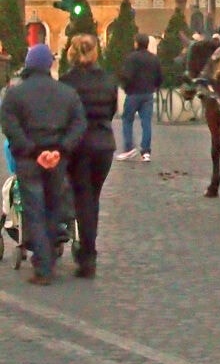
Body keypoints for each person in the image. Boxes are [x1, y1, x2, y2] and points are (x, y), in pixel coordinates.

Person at [0, 43, 86, 284]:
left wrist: (32, 150)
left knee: (34, 211)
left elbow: (9, 124)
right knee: (53, 209)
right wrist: (60, 150)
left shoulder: (15, 93)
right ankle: (48, 258)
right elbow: (79, 124)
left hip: (29, 161)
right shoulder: (67, 93)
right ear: (50, 65)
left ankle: (43, 267)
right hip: (57, 160)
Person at [58, 34, 117, 278]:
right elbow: (112, 110)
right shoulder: (107, 80)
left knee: (83, 199)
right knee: (93, 197)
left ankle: (88, 256)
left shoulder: (67, 82)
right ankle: (87, 249)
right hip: (104, 144)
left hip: (79, 146)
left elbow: (63, 115)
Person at [116, 34, 163, 162]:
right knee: (146, 122)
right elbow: (159, 77)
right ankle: (146, 152)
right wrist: (154, 87)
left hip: (133, 93)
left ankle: (129, 148)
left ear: (136, 43)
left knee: (127, 119)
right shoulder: (154, 59)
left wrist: (125, 87)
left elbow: (126, 75)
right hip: (148, 94)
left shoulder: (131, 58)